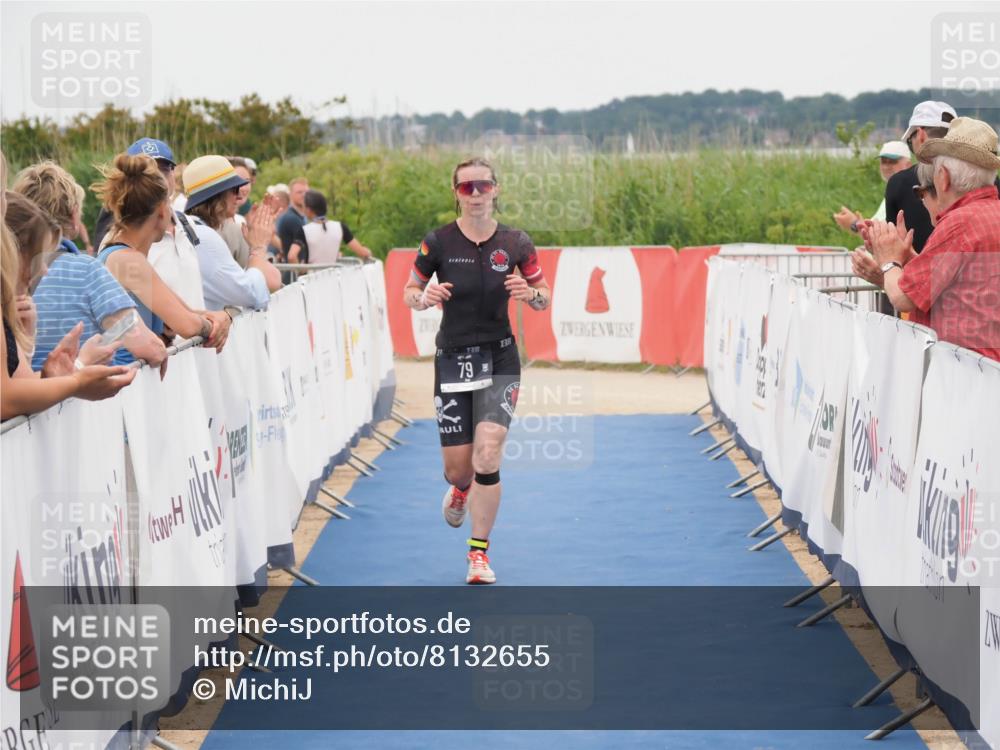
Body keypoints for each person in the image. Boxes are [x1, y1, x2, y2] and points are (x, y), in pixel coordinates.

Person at [402, 157, 551, 585]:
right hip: (453, 357)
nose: (476, 195)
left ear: (496, 189)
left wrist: (531, 295)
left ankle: (478, 554)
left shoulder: (516, 242)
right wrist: (423, 298)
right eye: (466, 188)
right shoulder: (438, 243)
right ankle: (461, 489)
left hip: (501, 356)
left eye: (482, 186)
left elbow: (543, 293)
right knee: (459, 468)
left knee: (490, 448)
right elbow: (410, 291)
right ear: (455, 193)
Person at [1, 156, 136, 419]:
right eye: (38, 259)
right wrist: (78, 377)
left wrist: (54, 371)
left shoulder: (15, 309)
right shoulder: (90, 268)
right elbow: (5, 399)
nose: (45, 271)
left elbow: (20, 387)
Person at [862, 117, 1000, 362]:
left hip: (964, 371)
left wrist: (889, 260)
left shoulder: (960, 223)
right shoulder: (990, 213)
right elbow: (955, 282)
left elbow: (903, 298)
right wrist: (906, 257)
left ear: (943, 177)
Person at [13, 161, 167, 371]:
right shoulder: (87, 271)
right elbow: (146, 346)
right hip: (83, 396)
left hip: (24, 397)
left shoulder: (8, 273)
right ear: (74, 216)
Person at [92, 153, 233, 365]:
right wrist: (213, 326)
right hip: (126, 383)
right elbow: (187, 324)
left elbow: (187, 312)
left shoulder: (126, 256)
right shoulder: (128, 261)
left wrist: (222, 317)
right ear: (160, 211)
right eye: (169, 203)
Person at [182, 155, 282, 309]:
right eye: (234, 189)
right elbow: (253, 296)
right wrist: (258, 248)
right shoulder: (204, 237)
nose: (239, 196)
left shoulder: (194, 230)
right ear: (217, 195)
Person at [93, 138, 177, 249]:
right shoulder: (116, 224)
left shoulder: (188, 225)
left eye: (164, 170)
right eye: (149, 172)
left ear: (173, 173)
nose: (159, 178)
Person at [834, 141, 911, 233]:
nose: (886, 166)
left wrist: (854, 224)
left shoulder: (907, 194)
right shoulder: (891, 193)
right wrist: (858, 224)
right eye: (883, 161)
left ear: (908, 165)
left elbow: (887, 236)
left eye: (892, 162)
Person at [302, 189, 373, 265]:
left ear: (308, 209)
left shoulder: (305, 230)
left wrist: (300, 269)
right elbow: (362, 252)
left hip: (311, 274)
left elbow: (292, 255)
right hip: (333, 274)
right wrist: (366, 252)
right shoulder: (340, 227)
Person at [277, 177, 309, 263]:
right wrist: (300, 272)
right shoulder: (291, 218)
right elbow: (292, 255)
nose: (304, 195)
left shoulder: (303, 217)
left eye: (306, 192)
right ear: (290, 194)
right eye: (299, 192)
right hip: (293, 271)